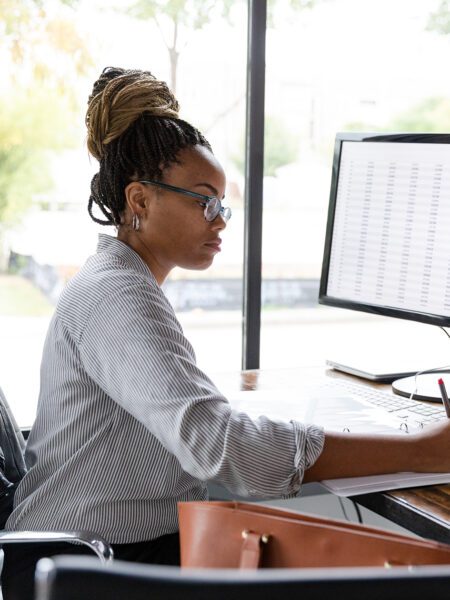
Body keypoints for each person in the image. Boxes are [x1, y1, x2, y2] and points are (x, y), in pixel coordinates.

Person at [3, 66, 450, 600]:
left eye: (223, 204)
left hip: (118, 545)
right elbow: (223, 447)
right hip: (92, 562)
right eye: (204, 200)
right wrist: (423, 449)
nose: (220, 220)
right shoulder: (116, 294)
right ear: (140, 201)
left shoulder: (122, 281)